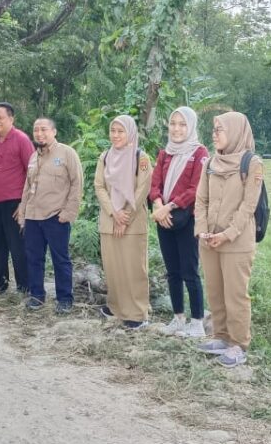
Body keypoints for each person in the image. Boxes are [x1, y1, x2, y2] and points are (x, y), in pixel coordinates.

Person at [194, 111, 264, 367]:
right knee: (215, 291)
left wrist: (227, 234)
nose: (214, 134)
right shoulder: (210, 162)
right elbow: (201, 199)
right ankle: (220, 336)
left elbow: (248, 206)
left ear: (235, 131)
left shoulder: (252, 163)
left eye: (219, 129)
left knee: (236, 294)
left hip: (236, 241)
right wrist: (202, 230)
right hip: (209, 239)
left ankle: (238, 344)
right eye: (213, 129)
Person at [150, 106, 208, 337]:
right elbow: (155, 183)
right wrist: (156, 204)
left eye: (182, 124)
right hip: (163, 219)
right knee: (172, 270)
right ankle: (178, 318)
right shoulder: (165, 153)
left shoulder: (199, 152)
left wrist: (169, 206)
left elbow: (196, 188)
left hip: (187, 219)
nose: (176, 129)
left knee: (189, 271)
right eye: (173, 123)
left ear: (191, 127)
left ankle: (197, 323)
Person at [16, 118, 82, 314]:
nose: (39, 133)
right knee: (34, 258)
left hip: (56, 217)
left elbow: (77, 183)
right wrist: (23, 213)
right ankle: (37, 296)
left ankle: (64, 299)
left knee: (60, 259)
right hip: (33, 217)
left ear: (54, 131)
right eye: (36, 130)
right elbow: (27, 187)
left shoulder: (67, 153)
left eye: (44, 129)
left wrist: (68, 213)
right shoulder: (33, 157)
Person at [95, 115, 153, 329]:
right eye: (113, 131)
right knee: (113, 267)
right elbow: (99, 186)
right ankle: (115, 306)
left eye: (121, 131)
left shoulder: (141, 157)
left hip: (133, 223)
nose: (116, 135)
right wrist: (114, 213)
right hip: (109, 221)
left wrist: (125, 216)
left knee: (134, 269)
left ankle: (137, 314)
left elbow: (142, 189)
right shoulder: (105, 157)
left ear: (130, 133)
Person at [0, 102, 34, 294]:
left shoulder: (21, 140)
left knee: (17, 245)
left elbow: (32, 172)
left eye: (0, 117)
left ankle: (24, 287)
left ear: (11, 119)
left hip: (14, 202)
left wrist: (24, 203)